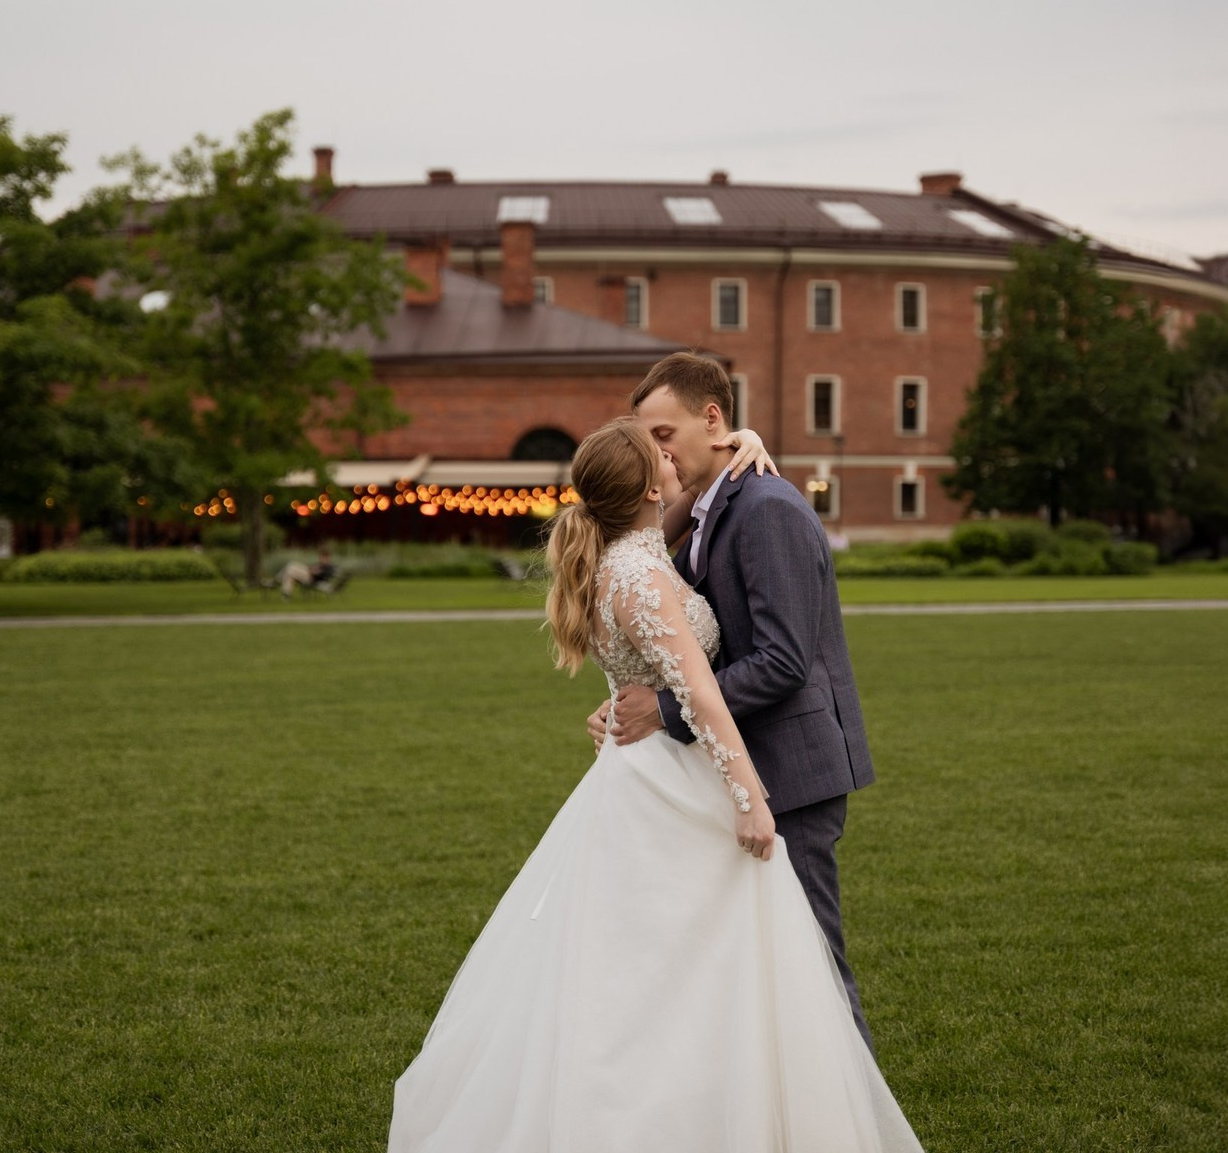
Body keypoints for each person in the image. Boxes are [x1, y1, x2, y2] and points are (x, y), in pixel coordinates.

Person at [387, 418, 925, 1152]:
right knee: (686, 965)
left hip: (636, 778)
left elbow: (671, 509)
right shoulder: (639, 574)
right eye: (660, 456)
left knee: (657, 966)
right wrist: (752, 802)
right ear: (645, 487)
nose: (672, 459)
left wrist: (745, 439)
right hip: (672, 786)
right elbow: (703, 697)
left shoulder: (623, 549)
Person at [589, 352, 876, 1051]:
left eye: (664, 434)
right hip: (744, 766)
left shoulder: (768, 507)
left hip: (793, 770)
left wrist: (663, 707)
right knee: (760, 969)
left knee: (814, 964)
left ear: (711, 418)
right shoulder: (718, 502)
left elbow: (783, 660)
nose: (655, 451)